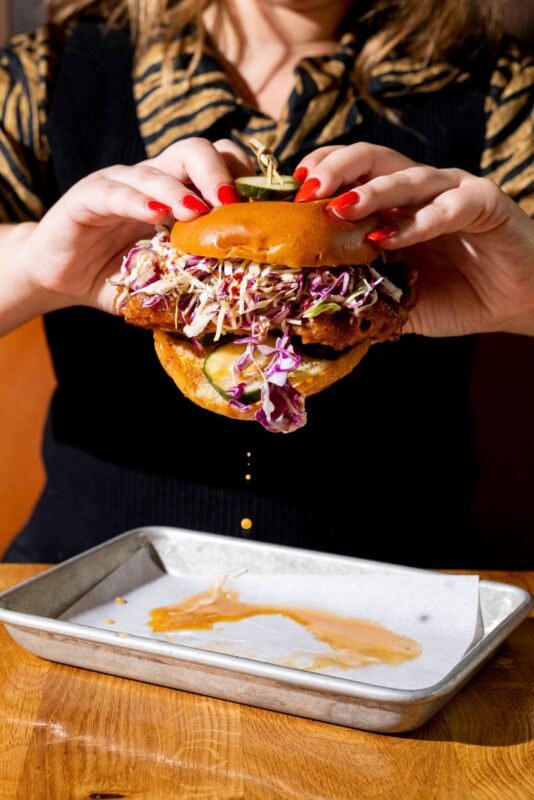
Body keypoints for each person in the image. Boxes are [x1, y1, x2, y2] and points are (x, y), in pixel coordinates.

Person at [1, 0, 533, 566]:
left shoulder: (503, 89)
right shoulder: (46, 72)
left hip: (400, 601)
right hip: (90, 581)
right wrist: (35, 262)